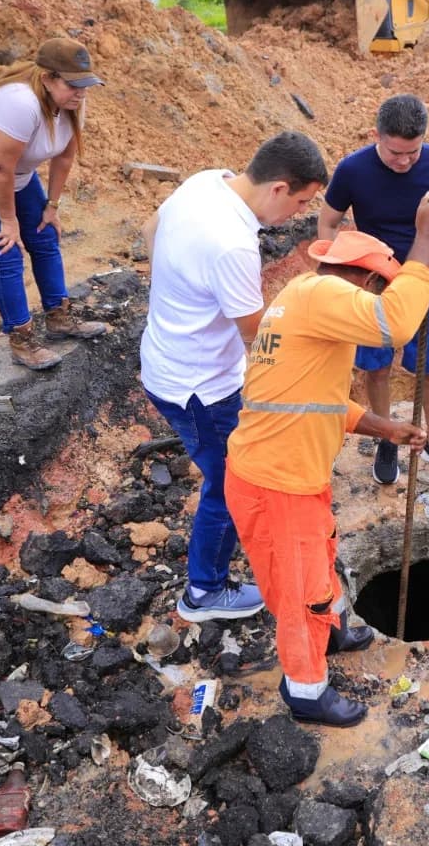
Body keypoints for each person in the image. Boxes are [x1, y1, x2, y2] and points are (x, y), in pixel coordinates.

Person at [227, 203, 429, 726]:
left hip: (288, 474)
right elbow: (396, 324)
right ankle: (306, 690)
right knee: (299, 589)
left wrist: (383, 427)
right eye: (377, 291)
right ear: (366, 280)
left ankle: (329, 632)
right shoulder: (324, 293)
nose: (371, 304)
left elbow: (320, 400)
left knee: (319, 563)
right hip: (278, 484)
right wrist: (425, 240)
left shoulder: (302, 298)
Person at [139, 132, 329, 623]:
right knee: (229, 483)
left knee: (227, 475)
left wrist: (178, 295)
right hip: (201, 387)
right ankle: (204, 591)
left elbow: (151, 228)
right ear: (279, 188)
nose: (299, 214)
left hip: (168, 358)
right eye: (301, 203)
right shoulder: (233, 246)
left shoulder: (207, 183)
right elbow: (256, 336)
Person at [316, 95, 429, 486]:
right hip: (372, 290)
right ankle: (386, 438)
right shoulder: (352, 169)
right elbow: (328, 222)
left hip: (425, 288)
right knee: (377, 368)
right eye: (395, 153)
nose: (404, 162)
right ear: (377, 136)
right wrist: (336, 278)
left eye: (412, 152)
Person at [0, 38, 108, 370]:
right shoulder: (20, 103)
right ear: (48, 78)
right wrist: (8, 221)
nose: (81, 93)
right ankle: (21, 340)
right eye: (73, 85)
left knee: (44, 235)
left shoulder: (72, 103)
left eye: (85, 85)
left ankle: (58, 317)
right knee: (6, 252)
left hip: (16, 175)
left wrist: (51, 205)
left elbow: (64, 157)